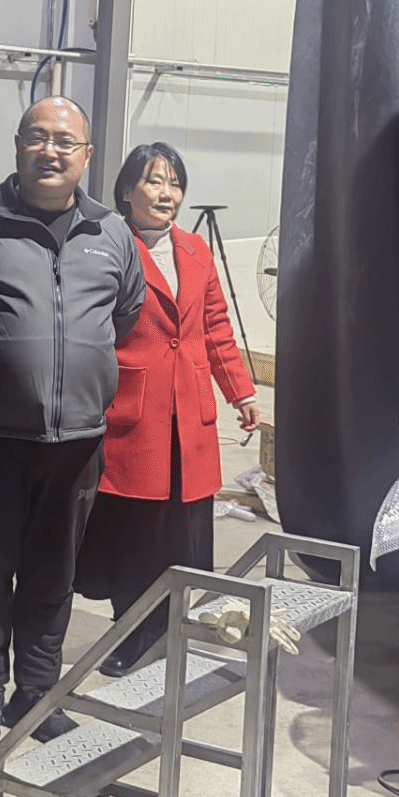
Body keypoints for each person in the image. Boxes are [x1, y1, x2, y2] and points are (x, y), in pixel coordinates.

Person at [0, 96, 146, 747]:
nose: (51, 151)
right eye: (37, 138)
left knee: (52, 574)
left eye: (65, 142)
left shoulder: (112, 233)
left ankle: (36, 693)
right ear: (17, 146)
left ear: (87, 156)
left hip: (78, 440)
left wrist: (79, 374)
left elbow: (125, 312)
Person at [74, 144, 259, 676]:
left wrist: (241, 391)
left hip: (190, 414)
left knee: (183, 531)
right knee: (136, 533)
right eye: (154, 181)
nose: (167, 193)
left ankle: (170, 629)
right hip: (134, 413)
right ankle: (130, 632)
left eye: (175, 183)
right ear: (126, 190)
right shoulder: (108, 243)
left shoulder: (195, 250)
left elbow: (214, 326)